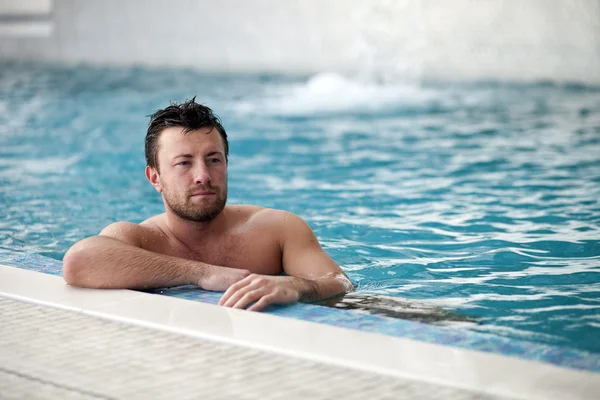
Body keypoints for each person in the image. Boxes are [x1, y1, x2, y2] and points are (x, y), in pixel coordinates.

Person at [63, 98, 353, 311]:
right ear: (155, 178)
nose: (203, 176)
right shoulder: (140, 240)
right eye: (184, 163)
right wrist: (203, 273)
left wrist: (296, 286)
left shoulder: (276, 229)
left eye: (213, 160)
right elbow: (79, 261)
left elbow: (340, 284)